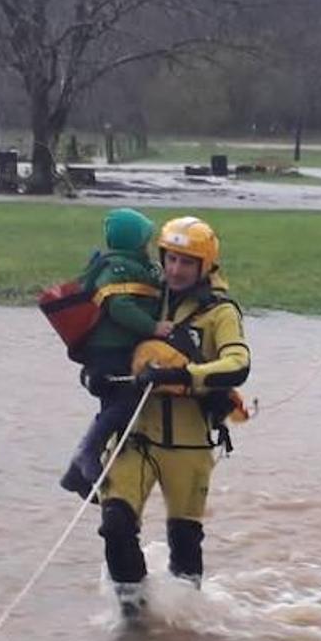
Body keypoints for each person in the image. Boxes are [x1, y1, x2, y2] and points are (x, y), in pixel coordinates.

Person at [97, 216, 251, 619]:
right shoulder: (144, 299)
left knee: (185, 543)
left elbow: (238, 364)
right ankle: (134, 620)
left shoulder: (221, 313)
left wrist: (183, 374)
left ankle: (185, 619)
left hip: (189, 445)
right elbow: (106, 343)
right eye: (171, 259)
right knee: (114, 525)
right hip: (135, 438)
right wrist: (95, 374)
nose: (176, 270)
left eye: (187, 262)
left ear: (205, 266)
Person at [59, 208, 173, 500]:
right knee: (122, 405)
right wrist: (153, 327)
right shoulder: (117, 269)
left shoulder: (137, 267)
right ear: (134, 242)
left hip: (123, 351)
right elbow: (120, 306)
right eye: (144, 241)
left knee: (117, 408)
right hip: (109, 352)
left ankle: (77, 472)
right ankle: (87, 454)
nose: (148, 247)